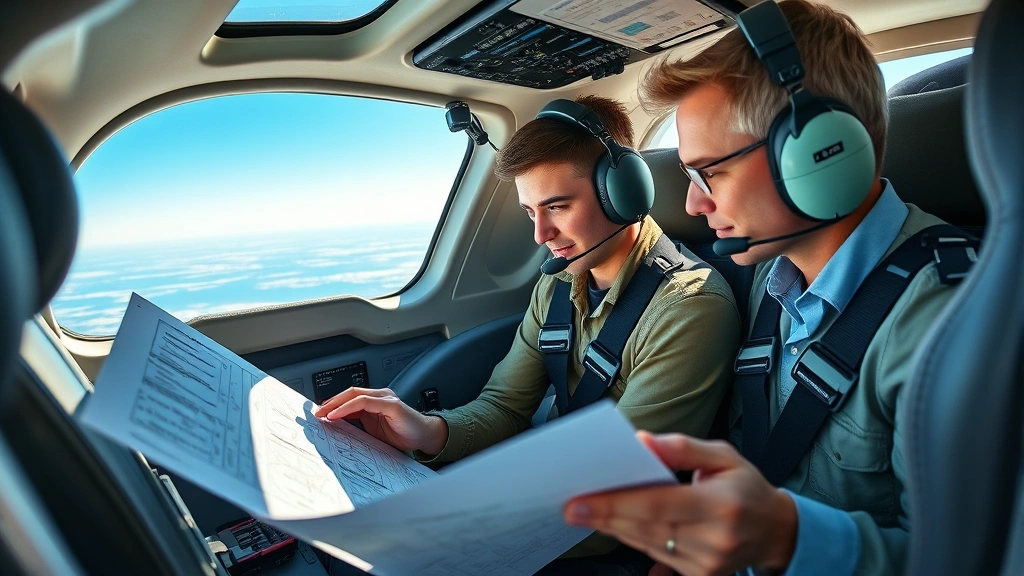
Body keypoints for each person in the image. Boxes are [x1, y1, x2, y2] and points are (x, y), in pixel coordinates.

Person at [563, 2, 967, 575]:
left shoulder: (952, 319)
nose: (693, 204)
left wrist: (785, 539)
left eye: (711, 172)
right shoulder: (771, 281)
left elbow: (974, 557)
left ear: (821, 153)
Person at [315, 95, 741, 573]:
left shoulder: (689, 308)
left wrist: (467, 528)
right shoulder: (557, 285)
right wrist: (429, 431)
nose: (541, 234)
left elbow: (624, 485)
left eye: (557, 206)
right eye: (529, 211)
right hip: (550, 491)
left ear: (623, 193)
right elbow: (505, 405)